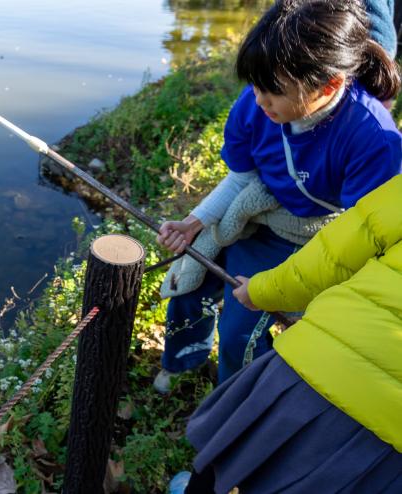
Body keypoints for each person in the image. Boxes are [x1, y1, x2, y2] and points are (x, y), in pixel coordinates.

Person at [153, 0, 402, 391]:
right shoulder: (253, 107)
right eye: (255, 86)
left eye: (274, 92)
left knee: (240, 333)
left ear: (330, 85)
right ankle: (181, 363)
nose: (258, 101)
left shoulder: (372, 137)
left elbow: (362, 236)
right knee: (189, 283)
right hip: (256, 213)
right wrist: (193, 223)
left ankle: (234, 406)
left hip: (307, 237)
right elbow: (241, 178)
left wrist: (310, 293)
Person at [170, 173, 402, 494]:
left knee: (227, 461)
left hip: (321, 358)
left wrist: (261, 291)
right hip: (392, 439)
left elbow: (332, 257)